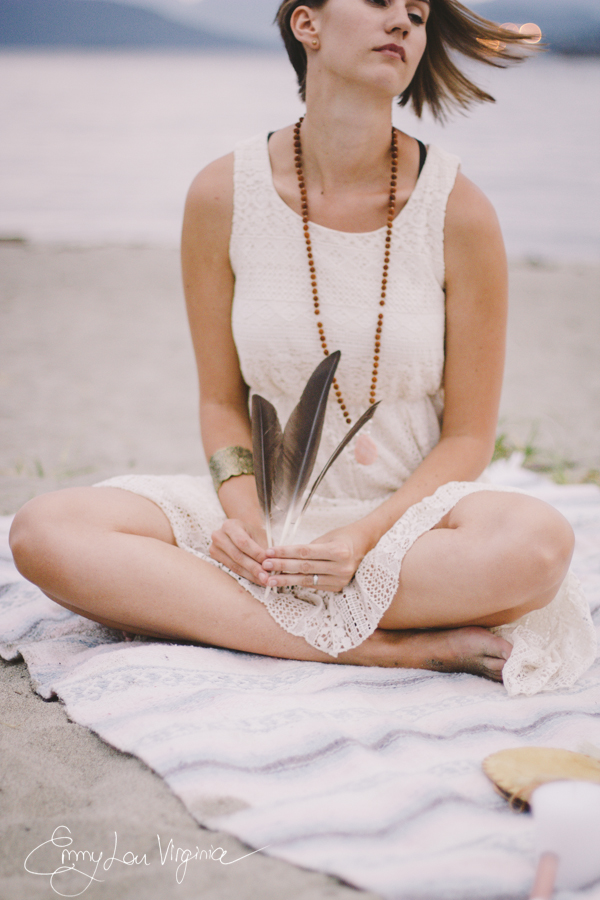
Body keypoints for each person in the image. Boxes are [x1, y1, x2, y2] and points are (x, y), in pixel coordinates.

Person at [9, 0, 596, 693]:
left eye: (417, 12)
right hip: (269, 520)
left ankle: (239, 616)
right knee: (45, 531)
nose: (404, 22)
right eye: (381, 2)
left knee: (538, 547)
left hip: (413, 527)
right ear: (306, 24)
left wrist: (361, 540)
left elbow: (468, 438)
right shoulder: (222, 194)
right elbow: (220, 401)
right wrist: (245, 518)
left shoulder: (459, 210)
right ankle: (375, 649)